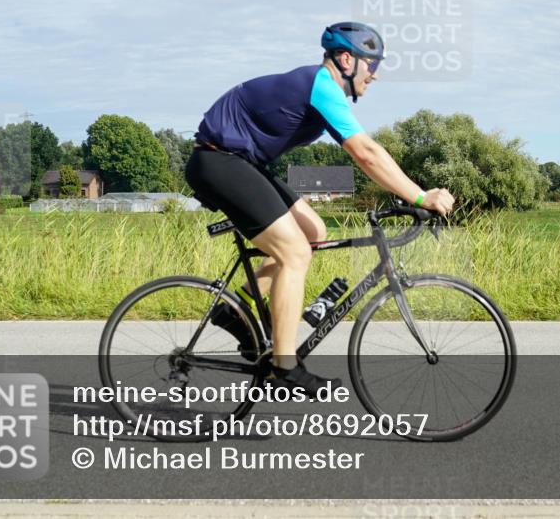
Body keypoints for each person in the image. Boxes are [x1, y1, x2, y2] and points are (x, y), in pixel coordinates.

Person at [185, 22, 455, 398]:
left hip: (240, 162)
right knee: (293, 251)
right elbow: (366, 153)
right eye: (372, 65)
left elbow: (368, 152)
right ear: (347, 60)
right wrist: (421, 197)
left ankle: (239, 307)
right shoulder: (322, 85)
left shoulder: (321, 88)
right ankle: (285, 365)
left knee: (313, 233)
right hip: (219, 162)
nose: (375, 76)